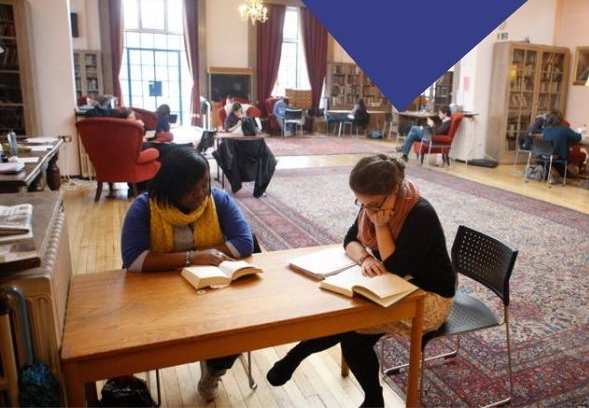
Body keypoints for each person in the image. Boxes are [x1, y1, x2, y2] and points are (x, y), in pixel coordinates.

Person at [265, 154, 455, 407]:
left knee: (351, 327)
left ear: (395, 189)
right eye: (362, 204)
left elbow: (395, 267)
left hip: (430, 298)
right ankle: (373, 398)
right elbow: (349, 241)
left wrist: (381, 226)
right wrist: (365, 258)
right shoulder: (373, 206)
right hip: (395, 285)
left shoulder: (421, 214)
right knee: (350, 324)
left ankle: (298, 356)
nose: (368, 211)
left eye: (374, 205)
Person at [121, 147, 255, 401]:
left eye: (205, 184)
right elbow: (135, 260)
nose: (201, 194)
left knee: (239, 325)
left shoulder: (218, 200)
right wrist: (193, 257)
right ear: (172, 186)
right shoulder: (145, 207)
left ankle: (215, 368)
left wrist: (197, 256)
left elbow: (244, 242)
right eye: (191, 189)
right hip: (159, 295)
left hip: (211, 289)